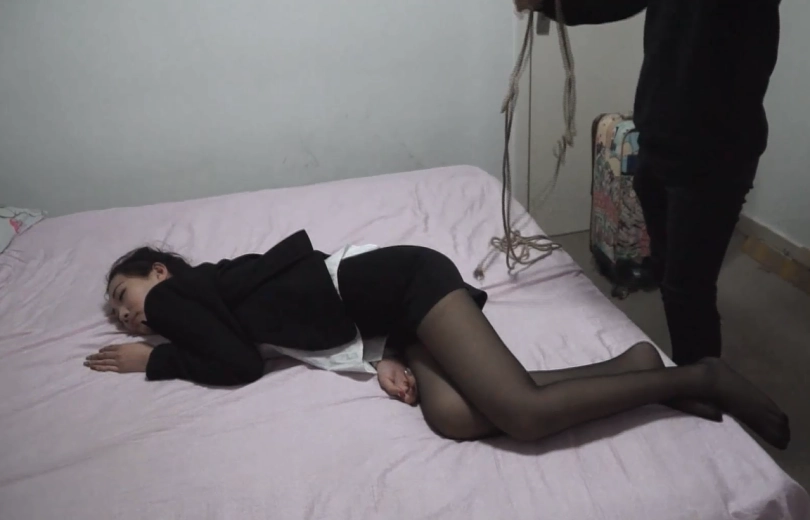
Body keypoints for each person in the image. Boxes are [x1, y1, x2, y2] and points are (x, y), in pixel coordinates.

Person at [86, 229, 790, 449]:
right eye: (118, 314)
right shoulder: (215, 297)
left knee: (522, 414)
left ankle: (697, 375)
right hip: (391, 315)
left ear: (159, 272)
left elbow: (238, 363)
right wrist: (385, 357)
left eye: (125, 296)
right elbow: (300, 322)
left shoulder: (180, 299)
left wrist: (157, 360)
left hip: (407, 283)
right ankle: (631, 365)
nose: (127, 316)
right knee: (455, 416)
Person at [515, 0, 782, 365]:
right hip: (658, 140)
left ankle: (702, 385)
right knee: (667, 263)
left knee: (688, 289)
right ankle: (687, 348)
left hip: (714, 157)